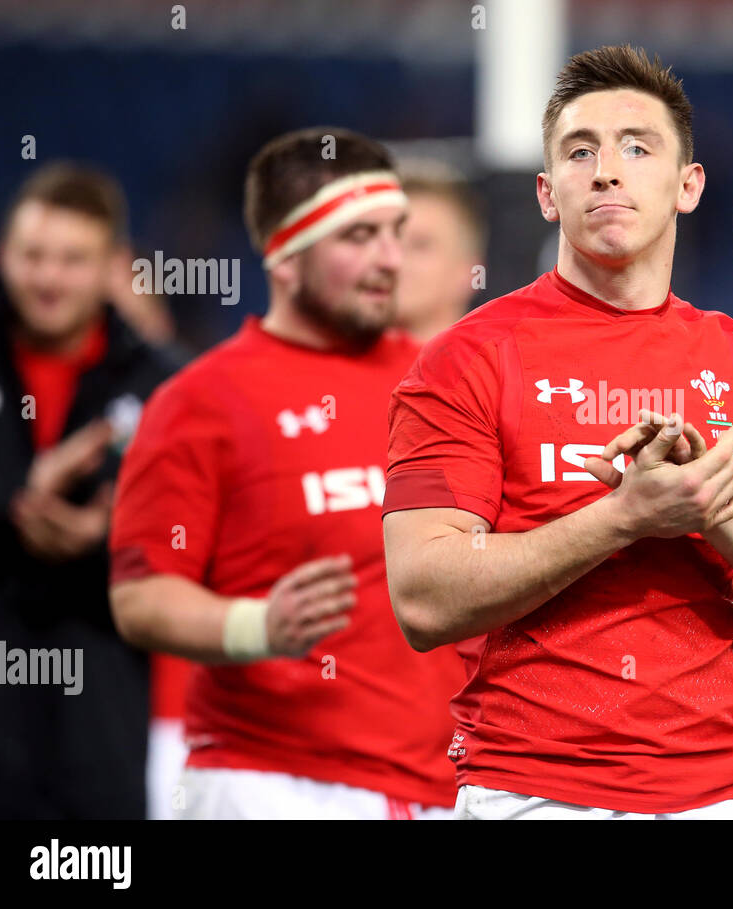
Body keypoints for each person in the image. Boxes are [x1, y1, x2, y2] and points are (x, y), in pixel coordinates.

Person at [382, 45, 733, 820]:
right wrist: (623, 517)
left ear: (689, 185)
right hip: (532, 790)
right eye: (581, 152)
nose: (607, 170)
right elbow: (423, 598)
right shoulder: (468, 358)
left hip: (720, 791)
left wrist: (716, 507)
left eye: (637, 147)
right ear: (547, 194)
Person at [108, 127, 463, 819]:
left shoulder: (441, 382)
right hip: (270, 783)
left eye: (397, 232)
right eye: (358, 237)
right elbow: (141, 597)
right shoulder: (200, 401)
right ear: (286, 257)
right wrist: (258, 626)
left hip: (440, 790)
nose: (391, 259)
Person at [0, 163, 176, 818]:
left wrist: (110, 534)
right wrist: (13, 500)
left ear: (113, 265)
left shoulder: (163, 383)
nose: (48, 277)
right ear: (3, 251)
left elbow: (197, 540)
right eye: (32, 254)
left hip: (101, 715)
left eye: (72, 258)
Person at [394, 164, 486, 342]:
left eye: (420, 245)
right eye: (388, 241)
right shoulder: (328, 366)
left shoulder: (508, 366)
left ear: (469, 271)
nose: (394, 258)